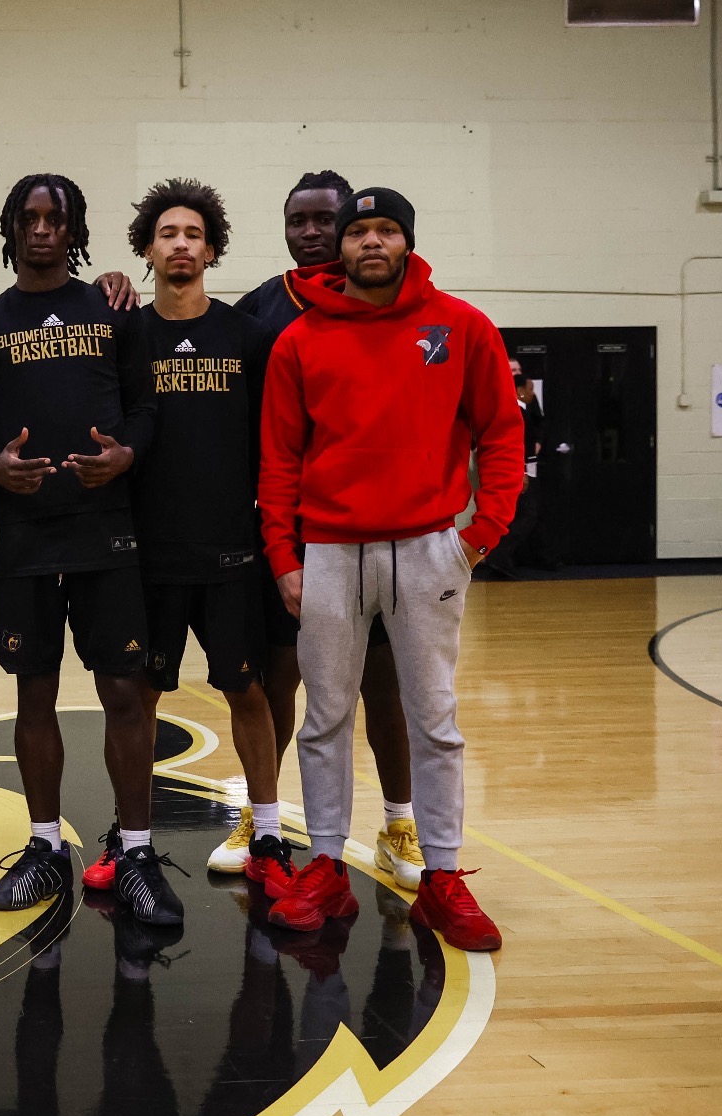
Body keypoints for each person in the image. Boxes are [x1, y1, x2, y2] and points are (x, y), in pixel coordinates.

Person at [260, 187, 521, 951]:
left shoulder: (460, 326)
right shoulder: (299, 339)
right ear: (338, 248)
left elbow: (502, 431)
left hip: (429, 546)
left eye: (386, 230)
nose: (371, 242)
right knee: (325, 717)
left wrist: (482, 531)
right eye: (358, 231)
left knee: (433, 717)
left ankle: (440, 875)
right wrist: (283, 555)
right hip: (328, 551)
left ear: (407, 242)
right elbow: (278, 458)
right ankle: (326, 867)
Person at [0, 173, 176, 924]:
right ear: (11, 228)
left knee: (124, 693)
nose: (42, 228)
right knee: (33, 692)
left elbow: (146, 409)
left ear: (74, 229)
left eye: (56, 217)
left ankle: (136, 852)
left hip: (107, 532)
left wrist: (127, 456)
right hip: (25, 537)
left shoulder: (113, 311)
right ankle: (44, 847)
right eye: (30, 217)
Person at [234, 170, 422, 891]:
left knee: (385, 688)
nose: (310, 232)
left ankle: (398, 823)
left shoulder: (397, 304)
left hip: (383, 530)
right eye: (298, 220)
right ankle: (263, 815)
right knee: (278, 679)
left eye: (324, 220)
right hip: (294, 532)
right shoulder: (260, 310)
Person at [123, 178, 290, 895]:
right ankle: (133, 842)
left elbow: (273, 444)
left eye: (194, 234)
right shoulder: (124, 335)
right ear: (147, 249)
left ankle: (269, 829)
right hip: (149, 554)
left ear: (212, 250)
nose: (181, 245)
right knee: (141, 698)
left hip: (231, 550)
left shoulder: (247, 337)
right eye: (168, 234)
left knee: (246, 690)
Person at [482, 360, 544, 579]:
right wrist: (522, 471)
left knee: (524, 514)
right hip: (517, 469)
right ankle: (498, 554)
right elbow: (514, 444)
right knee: (526, 515)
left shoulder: (525, 409)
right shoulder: (511, 409)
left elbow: (535, 431)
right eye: (529, 390)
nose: (532, 394)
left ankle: (502, 556)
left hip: (526, 467)